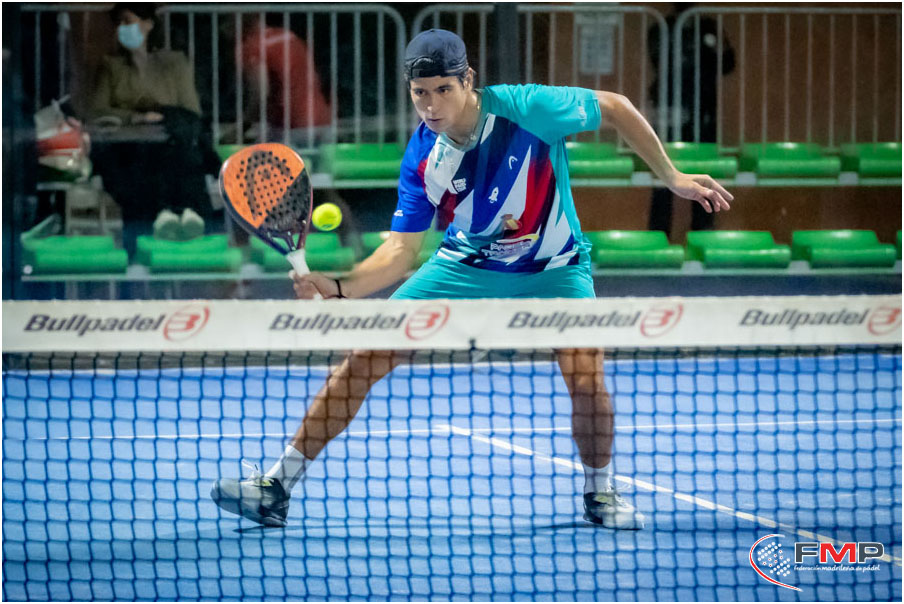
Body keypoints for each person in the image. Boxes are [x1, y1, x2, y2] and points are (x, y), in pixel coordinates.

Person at [211, 29, 732, 530]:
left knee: (585, 377)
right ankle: (275, 487)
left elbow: (614, 106)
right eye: (420, 93)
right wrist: (341, 286)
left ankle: (600, 492)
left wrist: (672, 177)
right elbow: (401, 251)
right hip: (466, 266)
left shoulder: (527, 108)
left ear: (468, 80)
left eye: (443, 90)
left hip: (554, 267)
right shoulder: (423, 157)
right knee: (366, 355)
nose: (431, 105)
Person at [88, 3, 216, 253]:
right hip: (129, 148)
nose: (122, 28)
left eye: (128, 21)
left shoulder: (174, 63)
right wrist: (135, 117)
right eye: (119, 23)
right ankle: (152, 229)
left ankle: (183, 220)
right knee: (138, 172)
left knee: (179, 161)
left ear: (148, 24)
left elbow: (191, 110)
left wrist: (162, 115)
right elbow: (99, 110)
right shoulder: (112, 66)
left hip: (170, 145)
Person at [647, 3, 736, 236]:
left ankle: (703, 237)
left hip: (703, 111)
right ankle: (659, 240)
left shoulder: (708, 26)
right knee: (663, 180)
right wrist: (701, 51)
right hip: (668, 111)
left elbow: (728, 64)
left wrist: (711, 44)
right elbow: (662, 61)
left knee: (704, 177)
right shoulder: (660, 27)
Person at [237, 13, 332, 146]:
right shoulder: (289, 36)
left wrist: (242, 126)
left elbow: (260, 93)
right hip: (322, 121)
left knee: (259, 154)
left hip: (291, 126)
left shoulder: (253, 46)